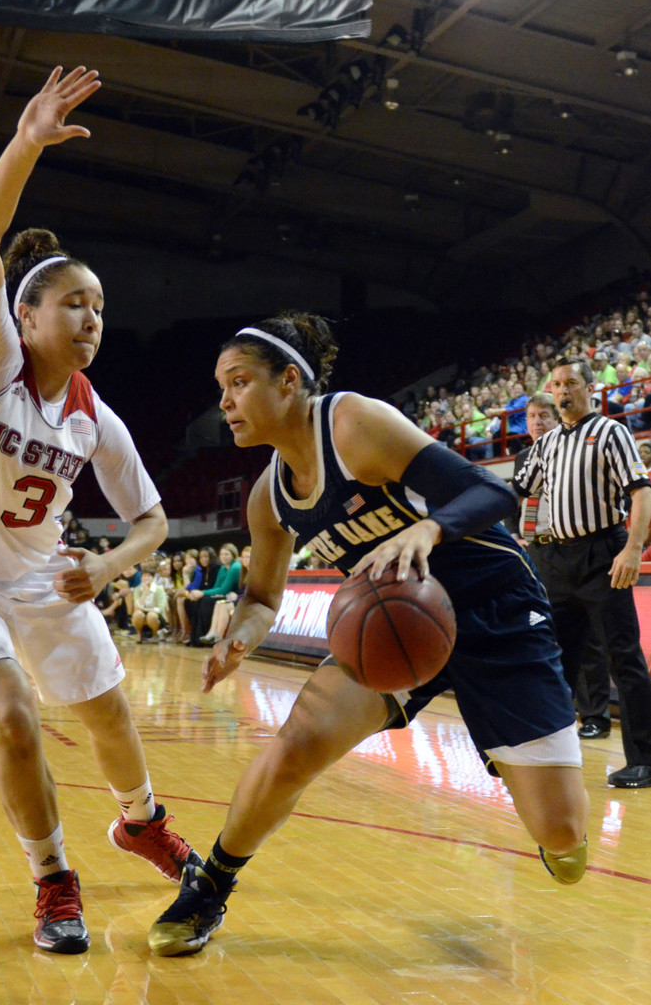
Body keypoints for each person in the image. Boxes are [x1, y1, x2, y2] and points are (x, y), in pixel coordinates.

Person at [148, 313, 589, 957]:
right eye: (222, 387)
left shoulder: (352, 423)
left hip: (490, 604)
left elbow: (490, 492)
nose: (225, 402)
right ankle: (209, 884)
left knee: (565, 837)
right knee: (297, 743)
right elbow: (264, 596)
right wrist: (238, 636)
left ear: (290, 381)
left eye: (239, 382)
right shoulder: (268, 497)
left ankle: (533, 777)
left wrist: (429, 529)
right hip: (394, 628)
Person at [0, 66, 199, 956]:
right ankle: (54, 879)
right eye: (73, 302)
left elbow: (153, 523)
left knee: (105, 712)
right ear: (24, 316)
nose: (91, 317)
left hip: (38, 580)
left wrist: (102, 568)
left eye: (99, 306)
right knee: (14, 714)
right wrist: (25, 142)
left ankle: (141, 823)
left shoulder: (97, 417)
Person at [514, 356, 651, 788]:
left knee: (623, 658)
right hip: (556, 560)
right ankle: (546, 753)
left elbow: (641, 492)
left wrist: (633, 548)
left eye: (571, 382)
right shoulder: (548, 443)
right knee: (555, 662)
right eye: (556, 384)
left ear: (588, 388)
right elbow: (514, 491)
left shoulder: (611, 431)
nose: (563, 390)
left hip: (602, 554)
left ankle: (644, 760)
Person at [509, 393, 612, 740]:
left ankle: (595, 714)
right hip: (538, 552)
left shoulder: (575, 450)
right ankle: (557, 713)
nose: (536, 422)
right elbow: (513, 501)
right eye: (531, 416)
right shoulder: (525, 456)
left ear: (558, 420)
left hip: (576, 547)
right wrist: (514, 534)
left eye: (543, 416)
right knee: (548, 634)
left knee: (590, 640)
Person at [187, 543, 241, 646]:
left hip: (234, 596)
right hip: (225, 596)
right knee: (194, 602)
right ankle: (207, 634)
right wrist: (199, 594)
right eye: (222, 554)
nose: (224, 557)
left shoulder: (235, 567)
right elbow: (216, 588)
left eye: (227, 554)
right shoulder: (223, 568)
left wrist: (202, 593)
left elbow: (224, 589)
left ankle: (213, 636)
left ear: (233, 555)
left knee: (207, 601)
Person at [199, 545, 251, 645]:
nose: (245, 559)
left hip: (248, 602)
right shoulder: (244, 571)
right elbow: (242, 590)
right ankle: (212, 633)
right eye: (243, 557)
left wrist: (237, 596)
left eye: (248, 557)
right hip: (241, 599)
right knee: (219, 604)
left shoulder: (251, 572)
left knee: (223, 606)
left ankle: (218, 636)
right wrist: (235, 594)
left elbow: (251, 593)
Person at [132, 568, 169, 643]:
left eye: (148, 576)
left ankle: (155, 634)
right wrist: (145, 592)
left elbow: (161, 607)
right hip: (143, 612)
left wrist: (147, 610)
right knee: (137, 614)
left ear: (152, 578)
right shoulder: (138, 589)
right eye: (144, 576)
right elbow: (137, 606)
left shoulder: (159, 589)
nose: (146, 578)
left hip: (156, 614)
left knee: (151, 615)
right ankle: (139, 634)